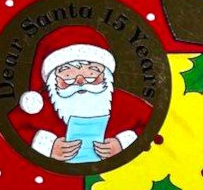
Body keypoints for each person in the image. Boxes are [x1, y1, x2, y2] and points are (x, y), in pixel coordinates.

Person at [10, 26, 151, 162]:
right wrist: (47, 147)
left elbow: (156, 125)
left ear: (105, 73)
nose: (80, 81)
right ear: (53, 78)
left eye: (91, 71)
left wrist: (125, 144)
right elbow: (10, 129)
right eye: (67, 73)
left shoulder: (125, 103)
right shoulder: (39, 106)